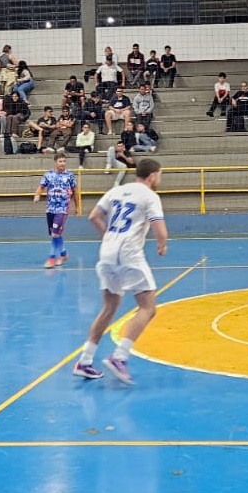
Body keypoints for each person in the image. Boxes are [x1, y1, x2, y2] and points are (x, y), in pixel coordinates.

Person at [72, 159, 169, 384]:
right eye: (160, 175)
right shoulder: (150, 196)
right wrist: (162, 244)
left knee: (109, 306)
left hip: (107, 252)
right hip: (129, 254)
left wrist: (108, 236)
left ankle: (85, 361)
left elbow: (94, 216)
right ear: (152, 176)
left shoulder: (116, 190)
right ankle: (120, 357)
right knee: (148, 307)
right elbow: (159, 228)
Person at [33, 153, 81, 268]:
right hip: (50, 208)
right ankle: (63, 254)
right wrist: (37, 195)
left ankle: (51, 258)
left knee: (55, 233)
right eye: (60, 161)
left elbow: (75, 191)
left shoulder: (69, 175)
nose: (62, 163)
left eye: (64, 161)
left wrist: (78, 207)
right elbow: (41, 187)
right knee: (55, 234)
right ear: (55, 162)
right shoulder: (48, 175)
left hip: (63, 209)